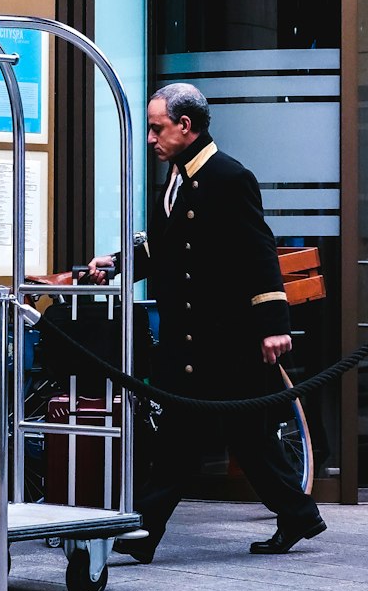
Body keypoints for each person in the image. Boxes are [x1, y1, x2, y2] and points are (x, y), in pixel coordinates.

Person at [87, 82, 326, 561]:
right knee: (196, 440)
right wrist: (118, 262)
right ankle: (293, 516)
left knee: (242, 441)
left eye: (157, 129)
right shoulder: (176, 179)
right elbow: (164, 247)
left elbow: (259, 252)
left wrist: (274, 324)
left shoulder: (228, 177)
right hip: (190, 342)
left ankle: (146, 533)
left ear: (185, 126)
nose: (151, 138)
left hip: (229, 340)